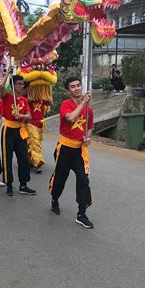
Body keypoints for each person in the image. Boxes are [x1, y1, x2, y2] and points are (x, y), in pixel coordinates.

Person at [48, 76, 94, 229]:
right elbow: (70, 118)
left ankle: (81, 214)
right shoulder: (66, 104)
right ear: (68, 90)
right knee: (60, 178)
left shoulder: (89, 109)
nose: (77, 88)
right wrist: (82, 103)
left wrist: (88, 138)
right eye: (73, 86)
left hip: (80, 150)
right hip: (65, 149)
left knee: (83, 180)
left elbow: (90, 126)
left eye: (78, 85)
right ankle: (55, 199)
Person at [0, 66, 36, 196]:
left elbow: (29, 116)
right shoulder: (7, 97)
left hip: (20, 131)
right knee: (7, 157)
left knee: (23, 158)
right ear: (13, 85)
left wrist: (21, 116)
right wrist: (8, 73)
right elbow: (1, 86)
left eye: (22, 84)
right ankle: (9, 184)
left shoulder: (24, 100)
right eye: (18, 84)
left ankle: (23, 184)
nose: (21, 86)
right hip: (8, 130)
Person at [23, 81, 52, 174]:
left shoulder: (43, 96)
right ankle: (38, 162)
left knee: (36, 143)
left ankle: (29, 160)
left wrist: (47, 95)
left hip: (40, 123)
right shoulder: (28, 97)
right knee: (34, 142)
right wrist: (31, 87)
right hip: (30, 123)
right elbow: (22, 99)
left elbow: (51, 104)